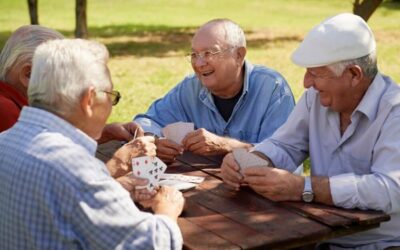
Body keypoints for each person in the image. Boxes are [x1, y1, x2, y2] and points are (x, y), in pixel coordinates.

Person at [221, 13, 400, 249]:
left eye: (315, 73)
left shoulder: (394, 111)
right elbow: (285, 144)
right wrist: (251, 159)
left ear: (354, 75)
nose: (306, 83)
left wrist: (305, 188)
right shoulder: (314, 99)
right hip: (318, 235)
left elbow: (390, 190)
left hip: (382, 243)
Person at [0, 39, 184, 249]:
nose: (110, 107)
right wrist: (167, 209)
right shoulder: (75, 168)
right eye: (110, 96)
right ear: (88, 100)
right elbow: (150, 244)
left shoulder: (6, 141)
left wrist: (115, 188)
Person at [134, 18, 295, 163]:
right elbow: (146, 122)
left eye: (208, 53)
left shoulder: (273, 89)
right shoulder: (190, 87)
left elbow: (283, 155)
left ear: (239, 55)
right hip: (206, 189)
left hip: (259, 192)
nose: (199, 63)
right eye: (194, 54)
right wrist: (154, 141)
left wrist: (226, 145)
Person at [0, 25, 142, 142]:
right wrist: (118, 165)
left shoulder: (18, 102)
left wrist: (106, 132)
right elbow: (48, 157)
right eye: (63, 74)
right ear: (28, 74)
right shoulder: (6, 110)